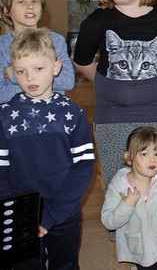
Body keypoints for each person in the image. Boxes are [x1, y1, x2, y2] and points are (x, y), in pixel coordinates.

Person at [73, 0, 157, 239]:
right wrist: (109, 85)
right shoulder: (99, 20)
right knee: (115, 173)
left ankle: (150, 224)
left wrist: (148, 84)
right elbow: (82, 60)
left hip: (153, 113)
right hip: (111, 114)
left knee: (150, 169)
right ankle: (120, 229)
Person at [0, 28, 95, 269]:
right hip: (21, 215)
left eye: (38, 69)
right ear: (12, 73)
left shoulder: (72, 114)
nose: (30, 78)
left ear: (55, 68)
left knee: (65, 264)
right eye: (21, 71)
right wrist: (18, 213)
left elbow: (83, 167)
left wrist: (52, 214)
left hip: (63, 212)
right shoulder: (5, 116)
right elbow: (1, 170)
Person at [101, 127, 157, 270]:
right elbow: (108, 221)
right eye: (144, 154)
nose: (152, 159)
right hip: (141, 247)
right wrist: (126, 206)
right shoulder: (118, 185)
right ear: (129, 158)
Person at [0, 0, 74, 103]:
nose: (30, 6)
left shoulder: (56, 40)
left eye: (35, 1)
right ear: (7, 11)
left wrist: (15, 76)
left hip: (52, 112)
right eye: (21, 1)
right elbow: (1, 93)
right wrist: (42, 81)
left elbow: (68, 81)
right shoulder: (2, 46)